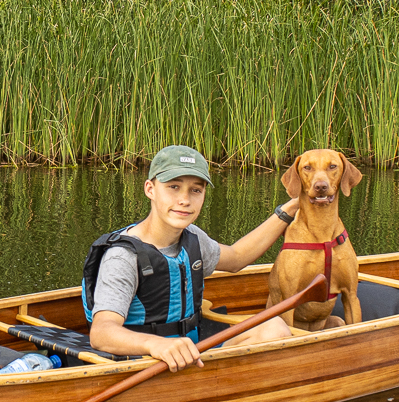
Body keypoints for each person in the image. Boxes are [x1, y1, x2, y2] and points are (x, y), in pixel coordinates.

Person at [82, 145, 297, 373]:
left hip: (192, 354)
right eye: (173, 187)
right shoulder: (123, 257)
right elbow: (101, 333)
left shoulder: (192, 237)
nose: (184, 200)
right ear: (150, 189)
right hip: (143, 366)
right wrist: (157, 344)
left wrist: (290, 209)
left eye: (196, 190)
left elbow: (236, 258)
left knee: (274, 328)